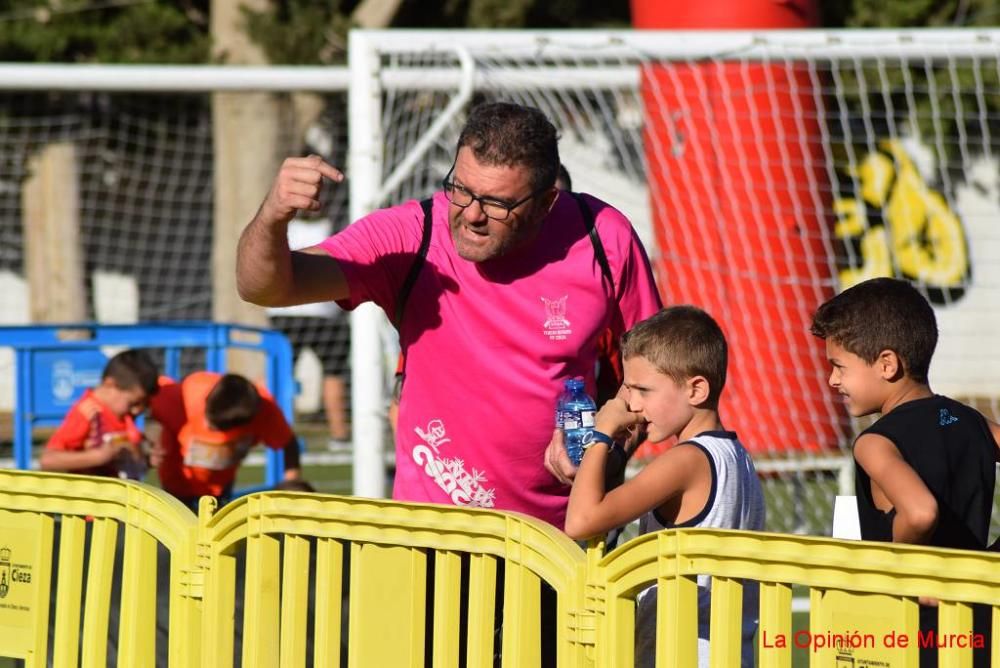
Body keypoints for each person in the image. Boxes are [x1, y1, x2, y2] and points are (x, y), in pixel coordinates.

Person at [236, 101, 661, 527]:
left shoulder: (603, 235)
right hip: (435, 539)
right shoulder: (412, 234)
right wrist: (273, 215)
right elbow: (266, 287)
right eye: (460, 188)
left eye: (497, 203)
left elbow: (654, 380)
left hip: (556, 542)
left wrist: (604, 446)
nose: (472, 214)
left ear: (547, 202)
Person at [811, 277, 1000, 667]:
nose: (832, 380)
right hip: (981, 625)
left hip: (910, 633)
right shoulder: (970, 421)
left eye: (838, 366)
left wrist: (906, 570)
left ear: (887, 364)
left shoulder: (875, 443)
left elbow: (920, 512)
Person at [563, 306, 764, 668]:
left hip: (683, 655)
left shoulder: (685, 460)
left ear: (696, 389)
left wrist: (601, 433)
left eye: (643, 390)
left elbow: (581, 521)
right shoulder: (736, 455)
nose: (633, 405)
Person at [149, 371, 303, 510]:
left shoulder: (265, 411)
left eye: (215, 426)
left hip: (220, 487)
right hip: (176, 485)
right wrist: (147, 440)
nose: (206, 425)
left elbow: (288, 444)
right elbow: (143, 390)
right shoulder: (185, 394)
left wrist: (291, 485)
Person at [267, 214, 352, 450]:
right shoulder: (333, 226)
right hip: (318, 311)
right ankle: (339, 435)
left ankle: (272, 432)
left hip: (289, 312)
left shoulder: (286, 227)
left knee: (278, 372)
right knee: (332, 374)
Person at [40, 349, 158, 480]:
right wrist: (98, 457)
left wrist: (147, 460)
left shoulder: (124, 417)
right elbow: (49, 460)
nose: (137, 411)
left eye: (144, 405)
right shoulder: (87, 413)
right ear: (110, 384)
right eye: (133, 403)